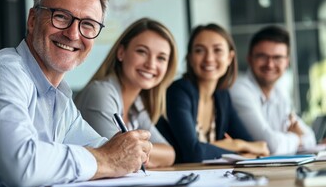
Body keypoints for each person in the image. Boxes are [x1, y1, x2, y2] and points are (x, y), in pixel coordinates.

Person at [0, 0, 152, 187]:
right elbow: (22, 167)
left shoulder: (58, 95)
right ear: (33, 20)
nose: (73, 34)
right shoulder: (2, 74)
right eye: (61, 16)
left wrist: (127, 153)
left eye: (88, 25)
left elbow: (100, 147)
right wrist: (108, 159)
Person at [156, 24, 269, 163]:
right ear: (190, 58)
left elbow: (257, 146)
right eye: (199, 50)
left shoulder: (222, 96)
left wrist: (241, 144)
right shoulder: (178, 92)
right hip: (177, 179)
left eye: (217, 50)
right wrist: (237, 146)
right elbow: (194, 154)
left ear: (229, 57)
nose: (209, 58)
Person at [74, 18, 177, 168]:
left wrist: (138, 151)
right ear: (121, 52)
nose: (151, 64)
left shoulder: (137, 103)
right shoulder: (100, 93)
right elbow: (120, 156)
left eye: (161, 58)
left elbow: (169, 154)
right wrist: (139, 152)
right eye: (142, 52)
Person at [229, 25, 316, 155]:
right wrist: (297, 138)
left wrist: (293, 139)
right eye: (262, 56)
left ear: (287, 62)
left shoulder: (280, 92)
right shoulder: (239, 90)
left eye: (277, 58)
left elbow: (311, 137)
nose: (270, 64)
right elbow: (271, 145)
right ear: (249, 59)